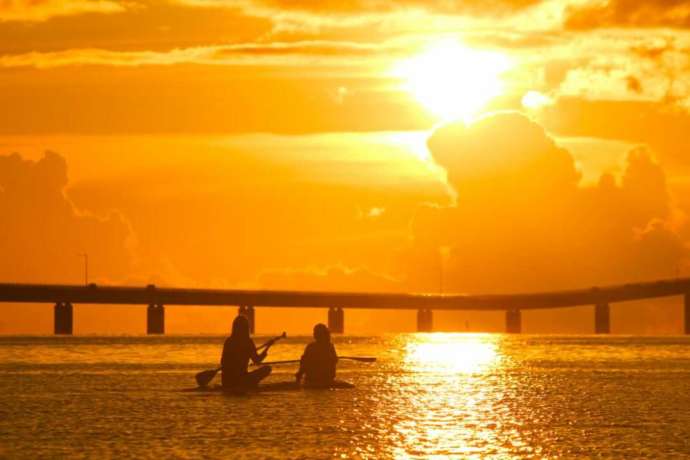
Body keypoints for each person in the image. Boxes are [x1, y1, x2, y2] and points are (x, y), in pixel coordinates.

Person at [221, 315, 272, 389]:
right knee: (268, 368)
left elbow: (222, 362)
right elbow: (257, 361)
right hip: (241, 379)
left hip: (226, 381)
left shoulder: (228, 341)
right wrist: (268, 347)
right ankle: (250, 384)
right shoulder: (248, 342)